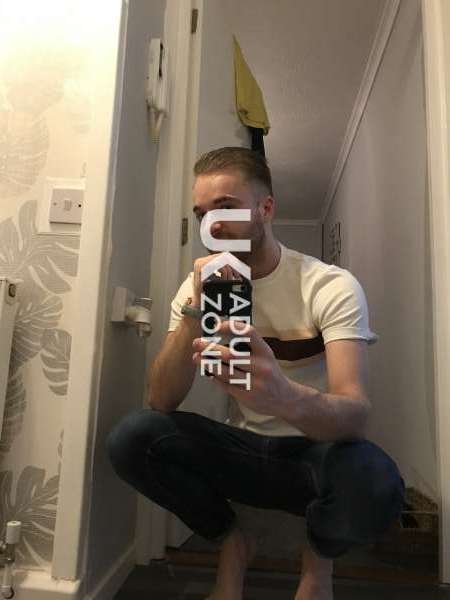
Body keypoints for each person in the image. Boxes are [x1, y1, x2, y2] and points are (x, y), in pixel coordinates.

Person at [106, 147, 405, 600]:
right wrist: (194, 309)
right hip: (244, 447)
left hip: (316, 453)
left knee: (376, 482)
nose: (212, 226)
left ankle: (318, 560)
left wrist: (284, 395)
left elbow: (356, 415)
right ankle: (233, 541)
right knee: (133, 437)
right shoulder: (199, 287)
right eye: (202, 214)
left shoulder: (327, 285)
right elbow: (161, 400)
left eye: (225, 207)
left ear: (265, 208)